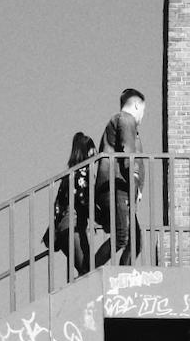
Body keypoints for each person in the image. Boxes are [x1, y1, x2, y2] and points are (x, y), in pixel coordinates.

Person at [95, 87, 146, 265]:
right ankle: (90, 272)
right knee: (122, 235)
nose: (142, 116)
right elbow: (127, 152)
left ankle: (123, 275)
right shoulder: (125, 119)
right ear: (138, 106)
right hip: (117, 187)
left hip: (120, 187)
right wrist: (134, 179)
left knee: (135, 240)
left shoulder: (122, 121)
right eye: (143, 111)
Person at [47, 132, 95, 278]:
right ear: (87, 153)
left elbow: (58, 205)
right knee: (88, 270)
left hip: (63, 229)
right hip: (71, 227)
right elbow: (83, 201)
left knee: (85, 270)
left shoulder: (70, 175)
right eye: (93, 154)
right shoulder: (82, 173)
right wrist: (101, 217)